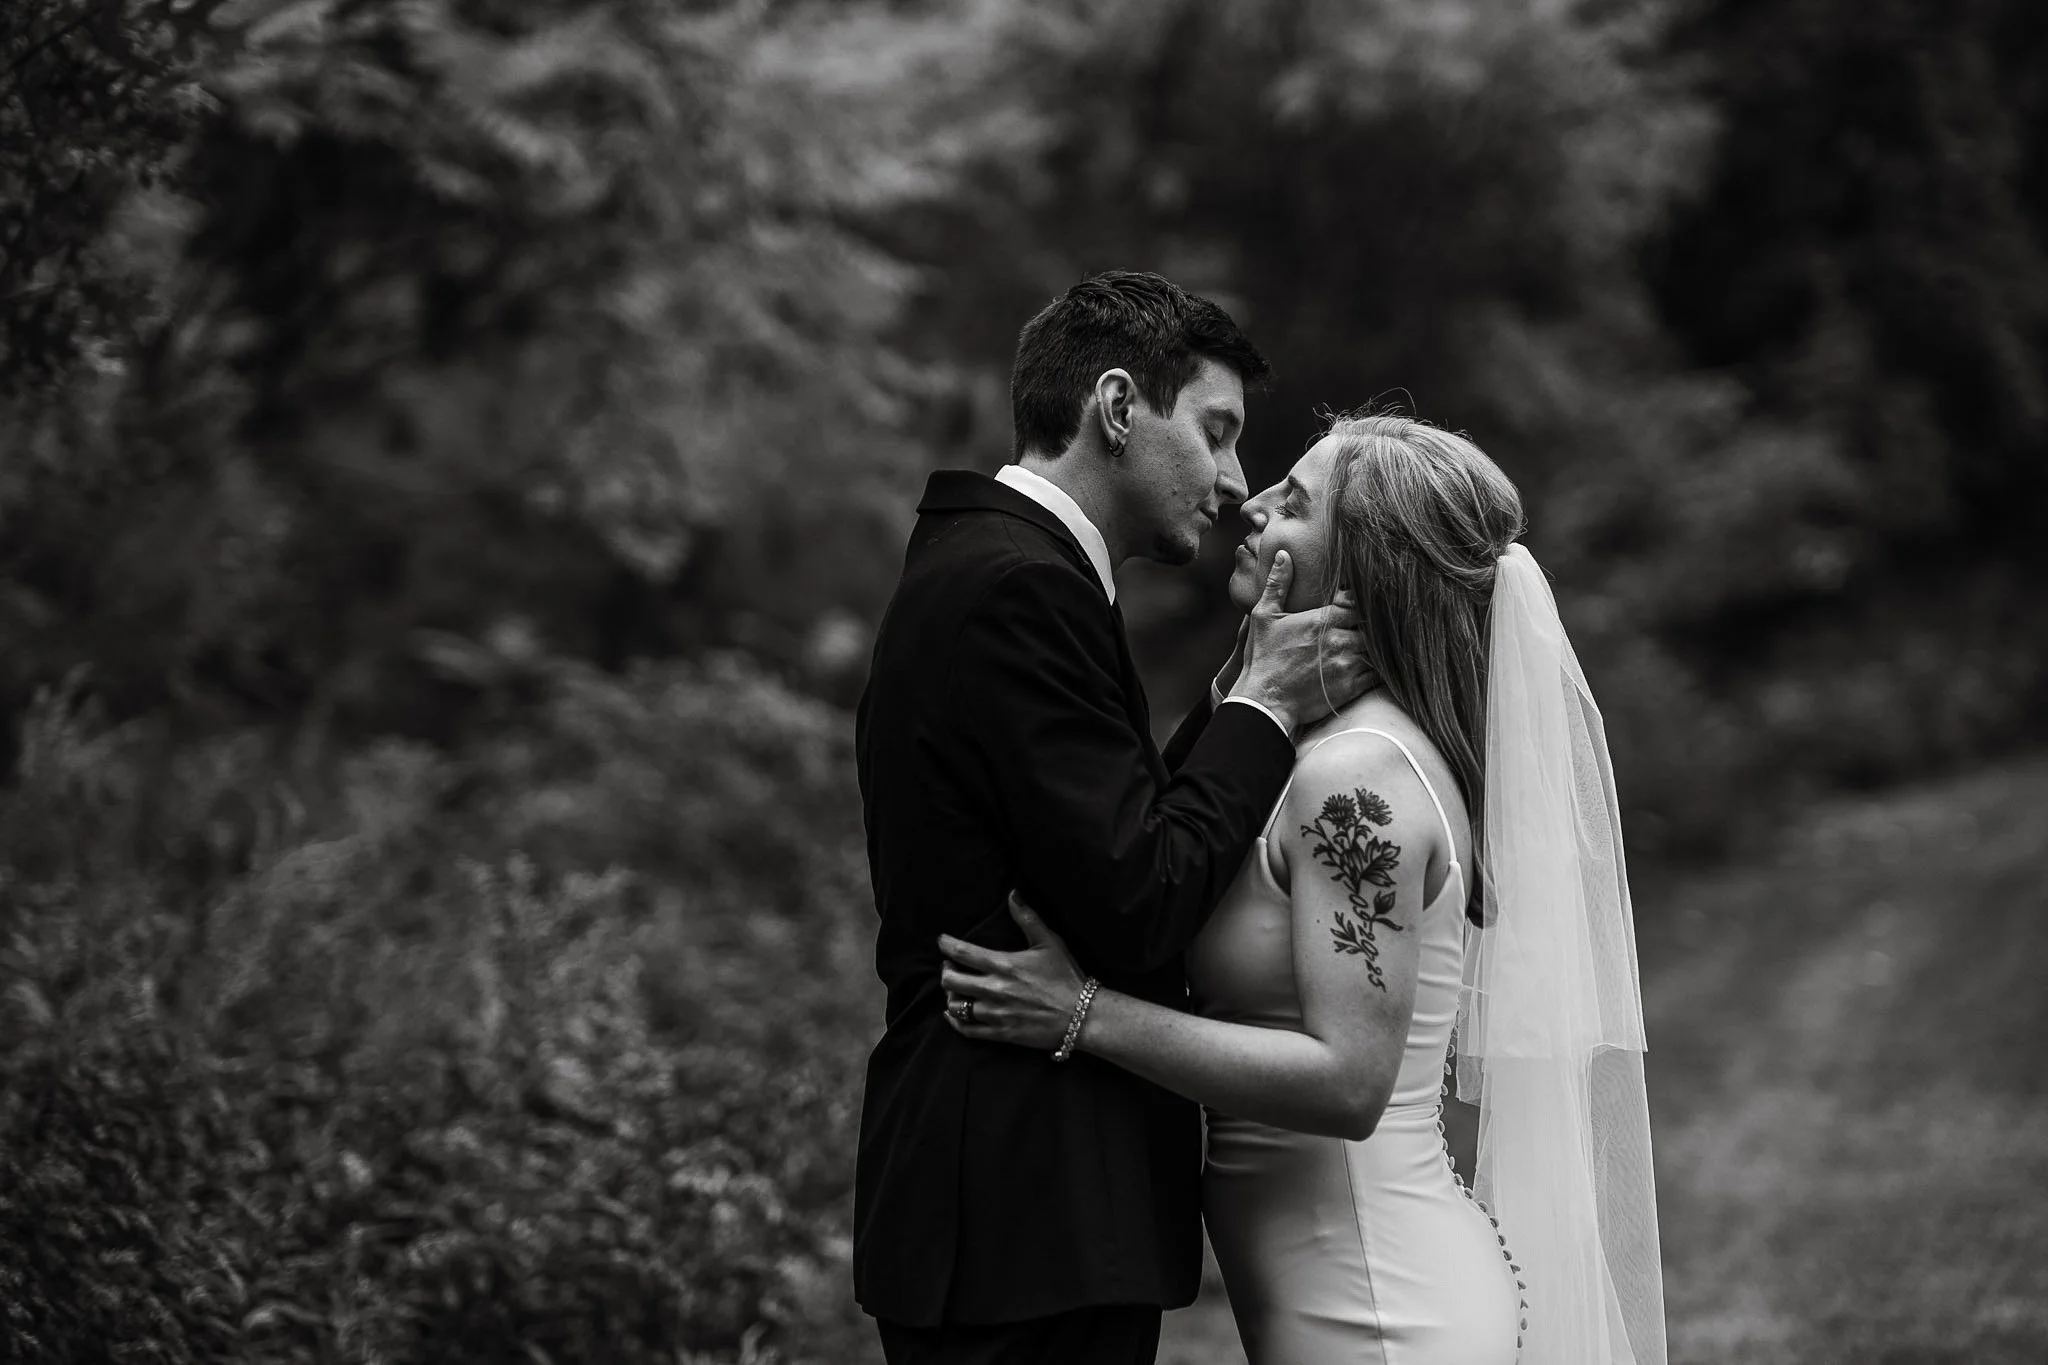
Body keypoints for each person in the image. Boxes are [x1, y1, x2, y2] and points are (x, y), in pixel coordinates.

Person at [940, 413, 1669, 1365]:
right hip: (1354, 1296)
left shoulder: (1356, 777)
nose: (1250, 504)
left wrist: (1080, 1013)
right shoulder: (1314, 745)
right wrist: (1254, 679)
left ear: (1364, 564)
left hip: (1384, 1313)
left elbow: (1348, 1080)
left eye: (1294, 503)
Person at [853, 272, 1376, 1365]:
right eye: (1217, 432)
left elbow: (1105, 837)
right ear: (1119, 406)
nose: (1236, 481)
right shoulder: (1018, 588)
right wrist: (1266, 709)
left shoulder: (1009, 568)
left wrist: (1238, 693)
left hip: (1017, 1211)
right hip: (1020, 1208)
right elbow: (1141, 898)